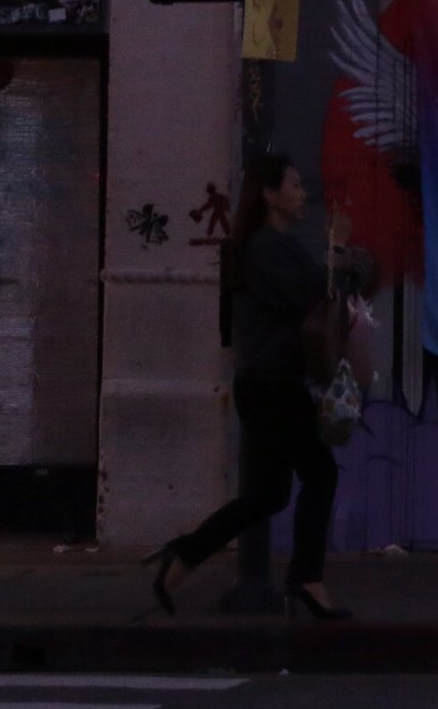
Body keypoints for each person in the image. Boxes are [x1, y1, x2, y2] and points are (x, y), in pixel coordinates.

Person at [150, 153, 376, 619]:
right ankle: (307, 579)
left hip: (271, 385)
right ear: (270, 194)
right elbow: (312, 294)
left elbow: (323, 288)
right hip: (271, 386)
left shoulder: (274, 245)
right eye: (293, 186)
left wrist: (344, 262)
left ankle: (185, 555)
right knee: (320, 474)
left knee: (268, 495)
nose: (303, 194)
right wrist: (337, 251)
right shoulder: (265, 248)